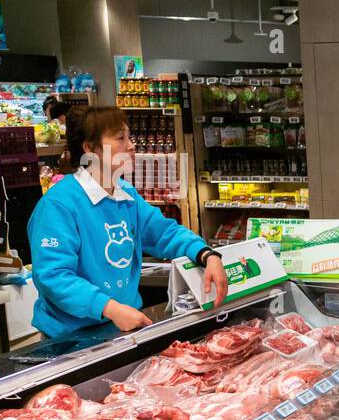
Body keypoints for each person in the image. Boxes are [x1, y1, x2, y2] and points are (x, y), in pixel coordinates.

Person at [29, 106, 227, 339]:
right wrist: (108, 308)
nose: (131, 146)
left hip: (123, 326)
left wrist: (207, 254)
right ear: (90, 149)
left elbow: (164, 233)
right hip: (70, 337)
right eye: (120, 138)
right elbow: (53, 275)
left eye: (129, 136)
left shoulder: (126, 195)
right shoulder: (59, 205)